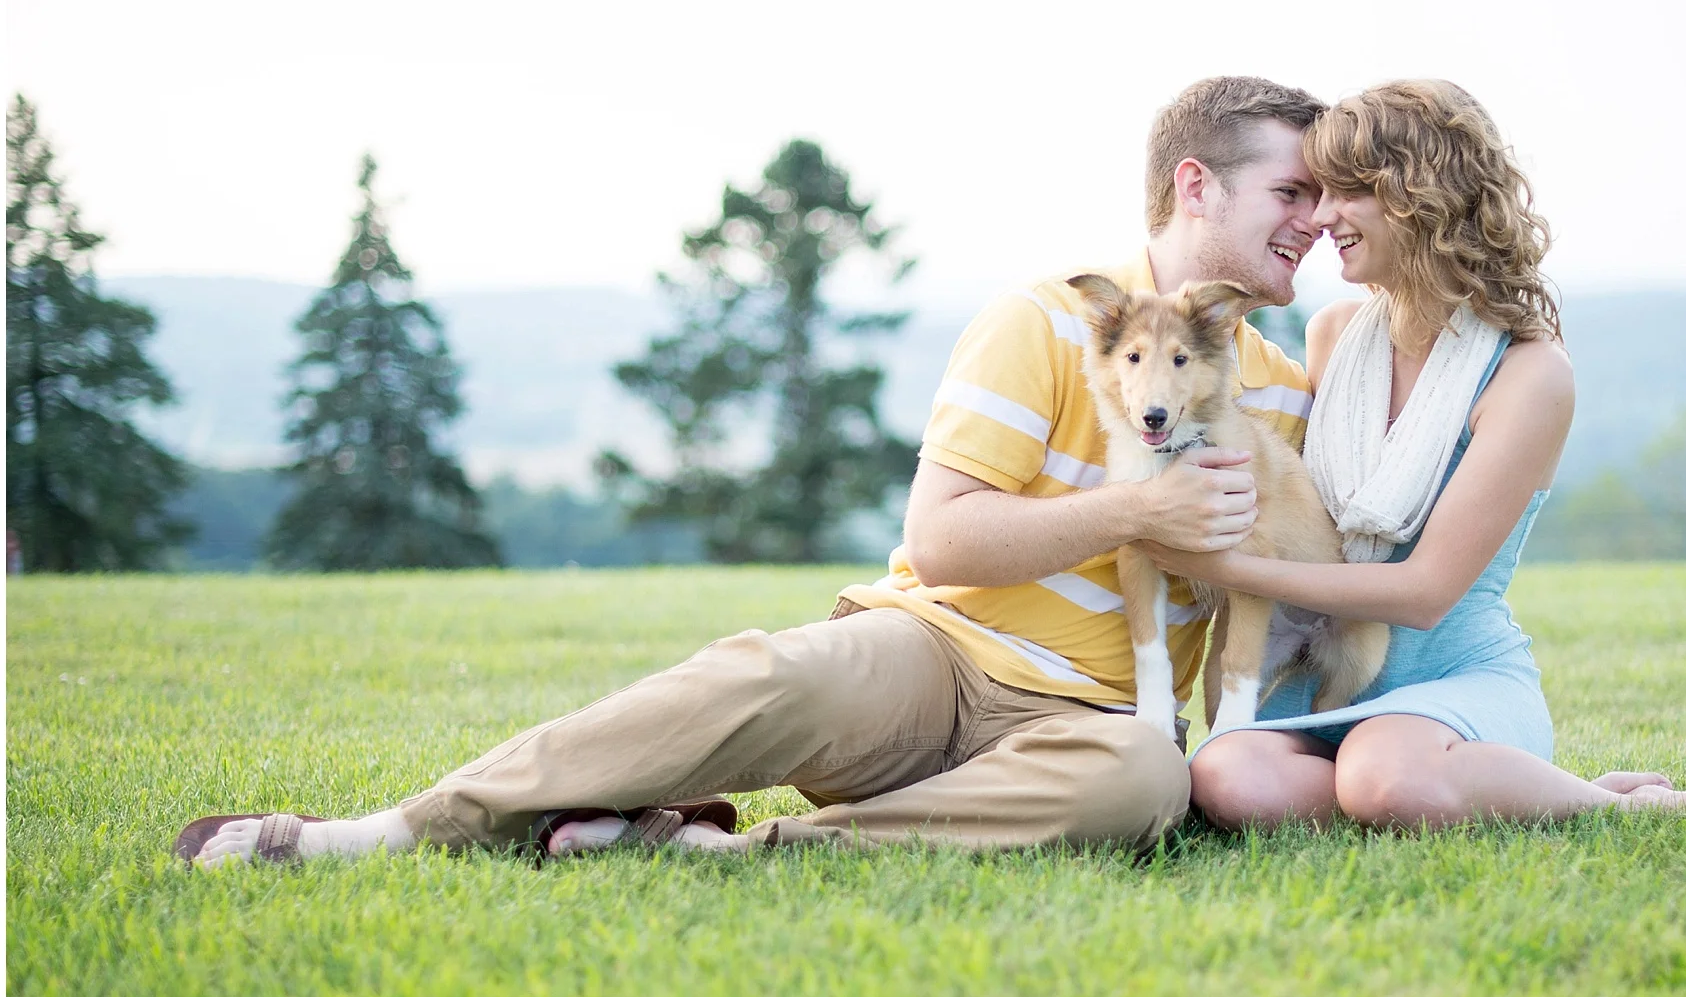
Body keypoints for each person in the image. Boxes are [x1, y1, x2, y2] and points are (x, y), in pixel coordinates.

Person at [186, 74, 1327, 867]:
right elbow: (941, 541)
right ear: (1195, 185)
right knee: (771, 675)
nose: (1314, 222)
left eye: (1323, 203)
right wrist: (1137, 509)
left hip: (1086, 722)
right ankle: (393, 829)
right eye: (1292, 193)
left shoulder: (1278, 393)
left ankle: (726, 849)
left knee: (1140, 783)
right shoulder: (1043, 318)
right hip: (935, 652)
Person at [1142, 79, 1686, 830]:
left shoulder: (1528, 373)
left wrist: (1223, 567)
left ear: (1419, 196)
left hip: (1455, 671)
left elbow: (1426, 592)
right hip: (1330, 665)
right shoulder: (1332, 335)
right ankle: (1491, 786)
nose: (1321, 216)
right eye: (1317, 191)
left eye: (1348, 191)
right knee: (1228, 783)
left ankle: (1622, 805)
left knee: (1385, 776)